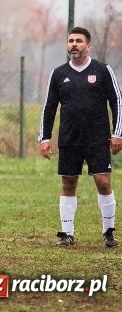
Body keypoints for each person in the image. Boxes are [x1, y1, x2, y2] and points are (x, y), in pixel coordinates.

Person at [39, 26, 122, 248]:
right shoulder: (59, 74)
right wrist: (44, 138)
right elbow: (49, 107)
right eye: (71, 41)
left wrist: (117, 133)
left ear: (88, 46)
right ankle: (67, 234)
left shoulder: (103, 71)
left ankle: (109, 232)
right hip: (69, 138)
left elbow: (117, 102)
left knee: (103, 182)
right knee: (68, 183)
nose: (74, 44)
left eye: (78, 41)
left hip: (97, 138)